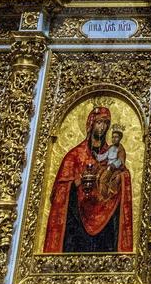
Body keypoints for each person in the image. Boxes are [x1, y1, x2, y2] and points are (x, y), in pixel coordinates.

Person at [43, 105, 133, 253]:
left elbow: (121, 170)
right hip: (77, 221)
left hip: (106, 219)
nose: (102, 127)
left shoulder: (113, 153)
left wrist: (120, 178)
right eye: (99, 122)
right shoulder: (74, 155)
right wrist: (75, 183)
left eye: (106, 123)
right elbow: (59, 191)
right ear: (91, 124)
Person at [96, 125, 126, 200]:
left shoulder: (120, 149)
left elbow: (120, 161)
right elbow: (104, 156)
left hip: (114, 168)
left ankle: (105, 196)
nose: (114, 139)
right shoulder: (110, 147)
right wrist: (96, 155)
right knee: (98, 176)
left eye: (116, 137)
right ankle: (102, 195)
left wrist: (112, 165)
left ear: (120, 138)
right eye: (113, 137)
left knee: (103, 179)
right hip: (108, 167)